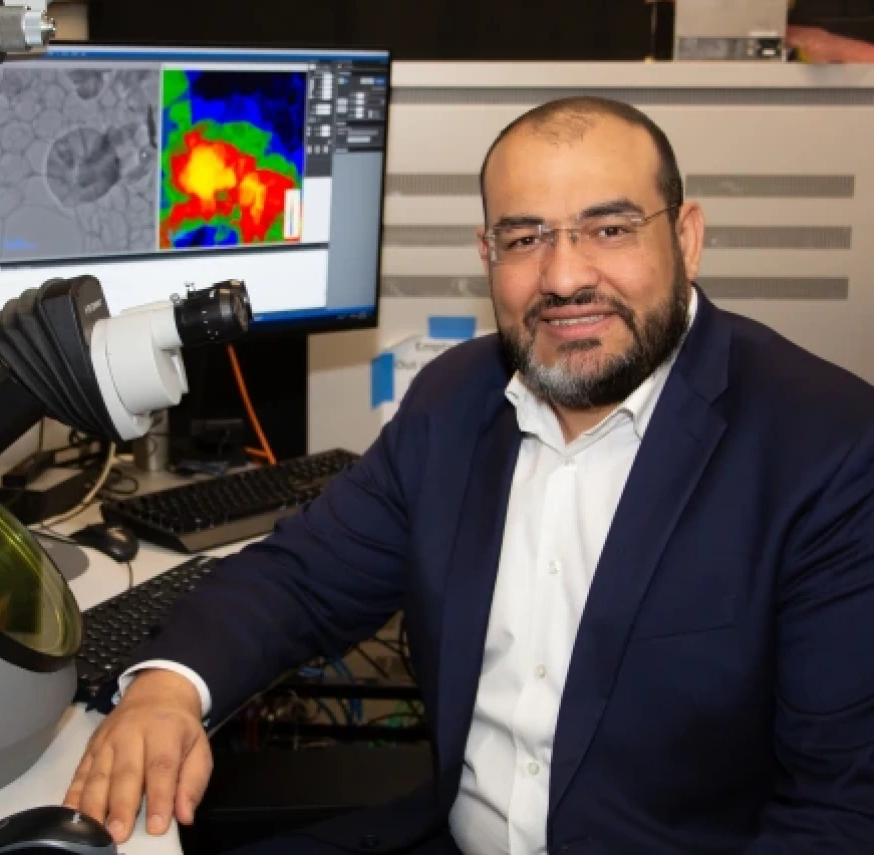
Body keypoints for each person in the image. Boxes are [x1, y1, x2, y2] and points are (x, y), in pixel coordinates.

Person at [64, 97, 874, 854]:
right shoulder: (456, 399)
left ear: (687, 237)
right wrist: (168, 690)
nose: (563, 278)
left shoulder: (827, 447)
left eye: (610, 229)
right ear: (487, 254)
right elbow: (303, 578)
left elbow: (838, 809)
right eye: (525, 238)